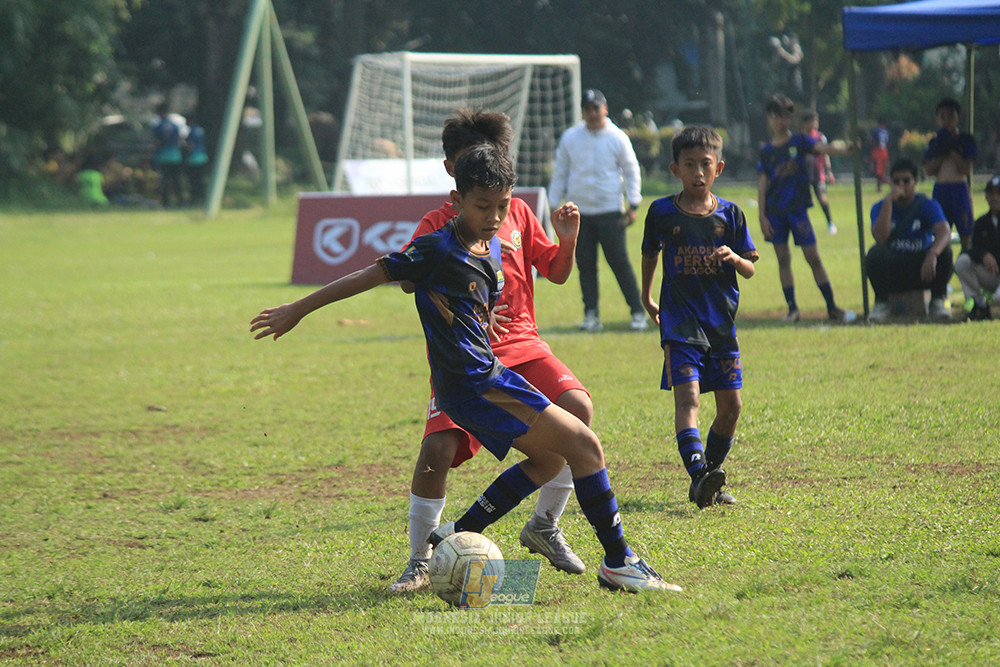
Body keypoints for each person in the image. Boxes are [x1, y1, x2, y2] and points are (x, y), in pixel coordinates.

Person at [252, 144, 680, 593]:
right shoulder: (435, 247)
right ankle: (618, 562)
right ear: (457, 200)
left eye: (502, 206)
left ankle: (459, 531)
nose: (494, 217)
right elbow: (369, 275)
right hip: (474, 385)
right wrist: (298, 309)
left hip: (488, 375)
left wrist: (481, 318)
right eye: (482, 206)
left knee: (553, 457)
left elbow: (474, 298)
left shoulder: (489, 245)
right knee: (585, 446)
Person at [387, 109, 593, 594]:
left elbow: (555, 271)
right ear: (454, 176)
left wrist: (567, 241)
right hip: (468, 358)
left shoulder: (515, 211)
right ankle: (420, 560)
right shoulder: (437, 225)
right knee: (438, 448)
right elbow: (408, 279)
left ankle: (544, 525)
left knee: (578, 409)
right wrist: (465, 305)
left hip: (524, 344)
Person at [640, 127, 758, 508]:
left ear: (718, 168)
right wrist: (647, 296)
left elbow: (750, 268)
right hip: (680, 323)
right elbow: (650, 254)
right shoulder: (661, 212)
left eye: (705, 164)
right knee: (688, 399)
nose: (698, 172)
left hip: (720, 324)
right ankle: (699, 474)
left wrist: (734, 257)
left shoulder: (731, 214)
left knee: (731, 408)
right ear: (675, 169)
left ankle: (710, 477)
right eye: (689, 165)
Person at [549, 89, 647, 332]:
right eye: (588, 109)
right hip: (579, 213)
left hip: (610, 210)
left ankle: (637, 312)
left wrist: (633, 203)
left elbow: (631, 170)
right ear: (582, 112)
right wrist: (553, 202)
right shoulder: (571, 137)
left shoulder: (617, 137)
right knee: (585, 265)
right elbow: (561, 171)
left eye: (596, 108)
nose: (592, 114)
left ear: (605, 109)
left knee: (619, 263)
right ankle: (591, 315)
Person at [757, 94, 851, 322]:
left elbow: (822, 147)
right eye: (775, 116)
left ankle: (832, 307)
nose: (779, 121)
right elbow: (762, 184)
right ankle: (792, 309)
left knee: (813, 257)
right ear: (769, 119)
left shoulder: (799, 142)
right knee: (783, 259)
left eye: (783, 116)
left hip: (797, 210)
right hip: (775, 212)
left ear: (789, 118)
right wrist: (762, 216)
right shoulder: (767, 151)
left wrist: (845, 148)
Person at [865, 158, 953, 322]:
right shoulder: (880, 207)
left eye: (906, 181)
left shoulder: (927, 204)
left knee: (946, 252)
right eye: (896, 181)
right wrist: (888, 203)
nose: (901, 185)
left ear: (915, 181)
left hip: (923, 267)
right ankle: (881, 302)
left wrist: (933, 253)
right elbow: (880, 238)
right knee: (874, 254)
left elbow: (944, 231)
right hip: (895, 267)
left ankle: (938, 300)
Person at [924, 98, 976, 252]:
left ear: (958, 118)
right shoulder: (935, 142)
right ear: (937, 119)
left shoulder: (965, 140)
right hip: (941, 189)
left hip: (959, 189)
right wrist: (942, 152)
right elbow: (929, 170)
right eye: (943, 117)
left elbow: (966, 169)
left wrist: (952, 150)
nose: (947, 121)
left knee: (966, 232)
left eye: (951, 117)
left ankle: (965, 258)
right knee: (940, 233)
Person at [954, 175, 1000, 321]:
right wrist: (984, 255)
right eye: (991, 193)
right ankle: (979, 304)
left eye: (998, 193)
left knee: (998, 298)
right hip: (992, 274)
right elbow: (971, 247)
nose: (995, 197)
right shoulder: (982, 223)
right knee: (962, 262)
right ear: (986, 196)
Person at [801, 111, 837, 234]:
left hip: (818, 173)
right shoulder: (800, 138)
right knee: (802, 202)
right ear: (806, 123)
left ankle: (830, 223)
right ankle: (804, 226)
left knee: (822, 198)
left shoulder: (820, 137)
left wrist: (829, 171)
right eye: (813, 121)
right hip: (803, 174)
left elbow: (825, 154)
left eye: (816, 121)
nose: (815, 124)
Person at [152, 104, 184, 208]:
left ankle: (166, 202)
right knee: (176, 179)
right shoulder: (174, 126)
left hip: (164, 157)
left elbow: (157, 142)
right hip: (176, 156)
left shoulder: (158, 126)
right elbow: (179, 139)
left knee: (165, 180)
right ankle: (180, 201)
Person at [184, 117, 209, 206]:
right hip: (202, 157)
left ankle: (194, 198)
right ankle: (203, 197)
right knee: (200, 179)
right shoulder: (200, 130)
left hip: (194, 159)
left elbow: (190, 145)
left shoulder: (192, 132)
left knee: (193, 180)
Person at [870, 119, 890, 193]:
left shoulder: (876, 131)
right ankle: (879, 188)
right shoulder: (886, 132)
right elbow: (888, 143)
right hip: (885, 151)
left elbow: (874, 141)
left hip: (878, 151)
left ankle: (890, 183)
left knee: (878, 172)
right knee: (880, 172)